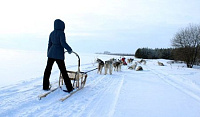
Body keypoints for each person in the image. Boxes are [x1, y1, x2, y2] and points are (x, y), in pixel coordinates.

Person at [43, 19, 73, 92]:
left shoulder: (52, 33)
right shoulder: (61, 33)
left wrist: (48, 53)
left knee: (48, 70)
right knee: (63, 71)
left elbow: (49, 44)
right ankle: (69, 88)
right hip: (59, 54)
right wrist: (69, 50)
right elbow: (63, 43)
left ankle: (45, 86)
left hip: (51, 54)